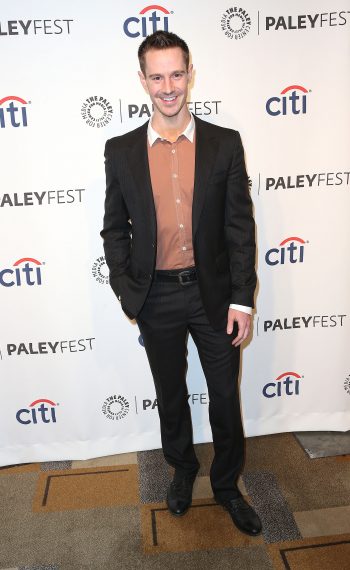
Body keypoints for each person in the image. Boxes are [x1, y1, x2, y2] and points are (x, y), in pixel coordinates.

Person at [101, 30, 261, 536]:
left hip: (214, 297)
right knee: (170, 393)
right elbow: (114, 227)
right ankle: (182, 469)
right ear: (142, 80)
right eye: (157, 76)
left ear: (190, 74)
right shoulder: (121, 150)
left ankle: (227, 486)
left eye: (176, 74)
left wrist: (243, 299)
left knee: (223, 396)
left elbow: (239, 227)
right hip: (157, 297)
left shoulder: (224, 143)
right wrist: (130, 293)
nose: (168, 87)